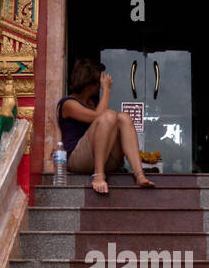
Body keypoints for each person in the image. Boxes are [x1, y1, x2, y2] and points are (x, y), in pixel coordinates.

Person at [56, 57, 154, 195]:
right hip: (77, 160)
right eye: (98, 83)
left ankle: (139, 174)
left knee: (124, 118)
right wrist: (107, 89)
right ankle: (98, 176)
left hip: (101, 157)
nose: (99, 87)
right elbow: (98, 116)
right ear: (90, 83)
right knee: (109, 116)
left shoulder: (90, 103)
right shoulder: (68, 104)